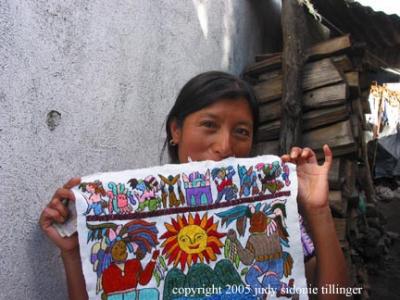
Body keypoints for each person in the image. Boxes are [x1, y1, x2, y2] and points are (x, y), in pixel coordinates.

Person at [39, 71, 349, 299]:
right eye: (209, 125)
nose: (225, 146)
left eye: (241, 131)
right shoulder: (127, 214)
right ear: (176, 129)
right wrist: (73, 252)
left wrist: (317, 210)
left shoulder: (274, 214)